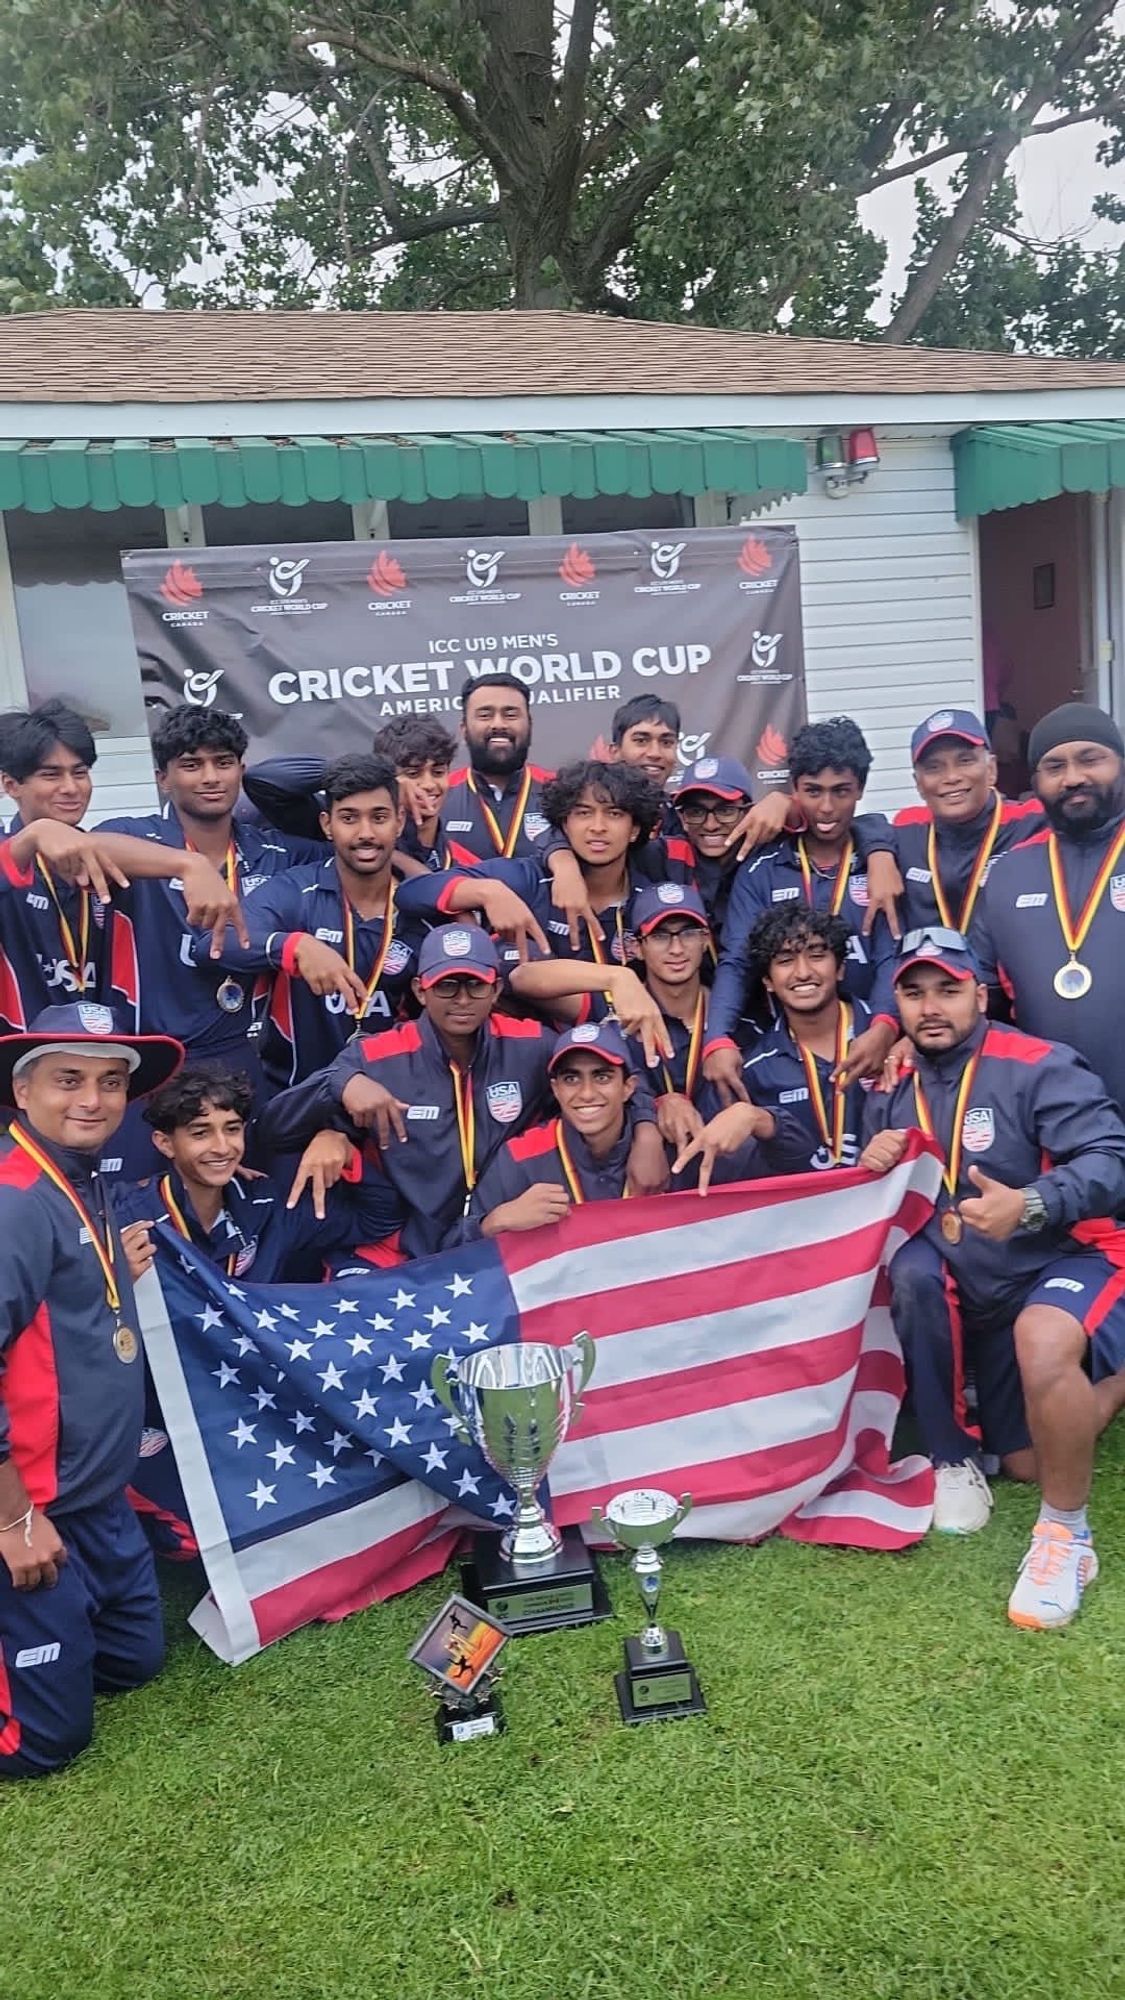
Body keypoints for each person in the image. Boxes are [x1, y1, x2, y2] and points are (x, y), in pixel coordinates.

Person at [861, 930, 1125, 1623]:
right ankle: (956, 1457)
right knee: (1021, 1460)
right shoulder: (893, 1086)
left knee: (1041, 1346)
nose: (931, 1008)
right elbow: (894, 1197)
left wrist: (1032, 1203)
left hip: (1062, 1258)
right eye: (914, 994)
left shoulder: (1039, 1064)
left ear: (979, 994)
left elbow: (1107, 1162)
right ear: (896, 1005)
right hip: (968, 1281)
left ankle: (1064, 1536)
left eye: (947, 990)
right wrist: (874, 1160)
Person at [0, 1000, 183, 1778]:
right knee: (44, 1746)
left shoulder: (84, 1180)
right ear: (23, 1092)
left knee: (135, 1665)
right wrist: (12, 1519)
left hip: (95, 1499)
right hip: (29, 1505)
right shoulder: (14, 1200)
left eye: (110, 1083)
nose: (92, 1100)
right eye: (67, 1080)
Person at [259, 927, 668, 1253]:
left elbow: (611, 1075)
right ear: (421, 990)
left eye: (474, 986)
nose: (461, 1000)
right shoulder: (377, 1057)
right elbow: (272, 1129)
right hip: (407, 1250)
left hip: (498, 1236)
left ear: (495, 990)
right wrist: (341, 1086)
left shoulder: (531, 1044)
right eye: (446, 986)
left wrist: (647, 1126)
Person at [94, 705, 316, 1116]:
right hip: (154, 1065)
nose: (211, 777)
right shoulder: (135, 837)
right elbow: (82, 847)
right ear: (163, 778)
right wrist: (187, 863)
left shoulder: (276, 852)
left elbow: (358, 851)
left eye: (224, 763)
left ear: (242, 771)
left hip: (245, 1061)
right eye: (192, 765)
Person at [197, 754, 433, 1089]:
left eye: (378, 817)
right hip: (301, 1099)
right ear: (326, 824)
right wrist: (292, 946)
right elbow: (213, 944)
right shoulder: (295, 890)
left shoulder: (422, 906)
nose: (365, 833)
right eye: (349, 818)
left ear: (399, 820)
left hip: (403, 1099)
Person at [704, 717, 900, 1101]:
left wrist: (885, 1026)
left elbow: (890, 954)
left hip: (876, 1040)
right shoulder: (762, 868)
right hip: (791, 1052)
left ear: (860, 789)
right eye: (813, 791)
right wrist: (717, 1037)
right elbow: (738, 960)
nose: (826, 808)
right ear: (794, 790)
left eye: (841, 791)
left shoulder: (883, 861)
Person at [116, 1060, 402, 1282]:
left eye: (232, 1129)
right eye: (200, 1133)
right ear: (165, 1143)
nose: (221, 1147)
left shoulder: (267, 1205)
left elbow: (378, 1219)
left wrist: (347, 1151)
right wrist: (115, 1277)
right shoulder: (127, 1215)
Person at [974, 702, 1125, 1121]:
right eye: (1054, 766)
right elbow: (978, 1000)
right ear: (1035, 780)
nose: (1073, 777)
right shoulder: (1009, 873)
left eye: (1090, 759)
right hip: (1052, 1125)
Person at [675, 905, 877, 1186]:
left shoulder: (890, 1043)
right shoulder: (753, 1071)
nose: (803, 972)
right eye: (785, 961)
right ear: (768, 981)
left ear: (841, 968)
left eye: (817, 956)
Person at [466, 1022, 644, 1235]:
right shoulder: (520, 1158)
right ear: (556, 1089)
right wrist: (496, 1220)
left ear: (628, 1087)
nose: (587, 1093)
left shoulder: (663, 1148)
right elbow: (454, 1252)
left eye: (602, 1077)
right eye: (571, 1079)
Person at [891, 708, 1043, 950]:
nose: (951, 777)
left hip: (1006, 984)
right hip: (934, 983)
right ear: (918, 784)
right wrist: (877, 852)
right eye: (933, 767)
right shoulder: (907, 828)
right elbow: (862, 829)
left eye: (965, 760)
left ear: (991, 769)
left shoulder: (1031, 821)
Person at [443, 675, 554, 862]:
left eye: (510, 715)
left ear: (529, 725)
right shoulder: (439, 794)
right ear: (464, 729)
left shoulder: (561, 789)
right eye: (485, 715)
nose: (498, 724)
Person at [371, 716, 459, 872]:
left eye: (438, 772)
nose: (429, 784)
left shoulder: (459, 856)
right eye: (413, 774)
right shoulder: (366, 851)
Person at [0, 697, 97, 830]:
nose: (71, 788)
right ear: (11, 785)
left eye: (79, 773)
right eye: (51, 775)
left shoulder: (114, 841)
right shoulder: (7, 849)